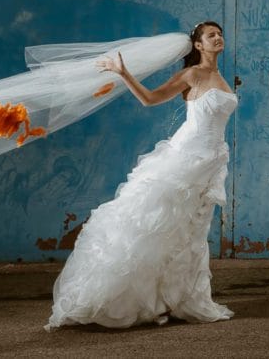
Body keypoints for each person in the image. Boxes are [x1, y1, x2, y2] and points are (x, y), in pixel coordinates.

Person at [45, 20, 238, 330]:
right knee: (153, 224)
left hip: (210, 162)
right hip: (184, 159)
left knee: (189, 234)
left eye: (220, 34)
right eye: (211, 35)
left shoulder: (218, 76)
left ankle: (176, 298)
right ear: (198, 45)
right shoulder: (192, 74)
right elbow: (150, 99)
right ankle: (115, 296)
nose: (218, 38)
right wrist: (123, 74)